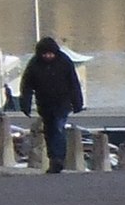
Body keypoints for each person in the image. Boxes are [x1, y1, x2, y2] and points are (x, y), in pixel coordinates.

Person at [16, 36, 85, 173]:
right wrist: (25, 104)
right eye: (45, 54)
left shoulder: (64, 61)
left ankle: (59, 158)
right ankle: (53, 158)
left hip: (62, 102)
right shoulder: (34, 64)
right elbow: (27, 86)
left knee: (58, 127)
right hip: (45, 103)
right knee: (49, 131)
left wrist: (77, 102)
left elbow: (73, 83)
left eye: (50, 54)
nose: (48, 56)